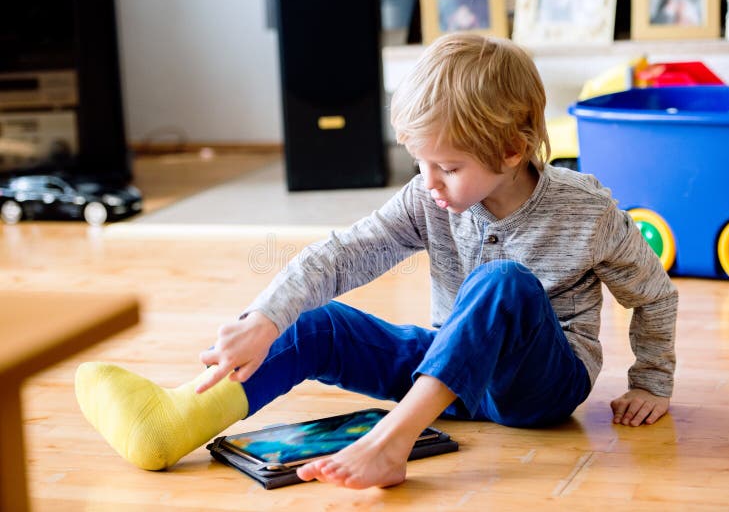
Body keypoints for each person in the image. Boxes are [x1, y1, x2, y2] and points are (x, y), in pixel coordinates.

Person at [75, 33, 678, 490]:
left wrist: (651, 380)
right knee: (317, 323)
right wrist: (264, 317)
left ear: (512, 149)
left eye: (448, 166)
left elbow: (654, 291)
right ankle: (177, 417)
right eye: (420, 163)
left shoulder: (587, 209)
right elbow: (345, 253)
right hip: (447, 374)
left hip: (540, 390)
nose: (430, 182)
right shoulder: (429, 198)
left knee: (504, 283)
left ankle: (394, 440)